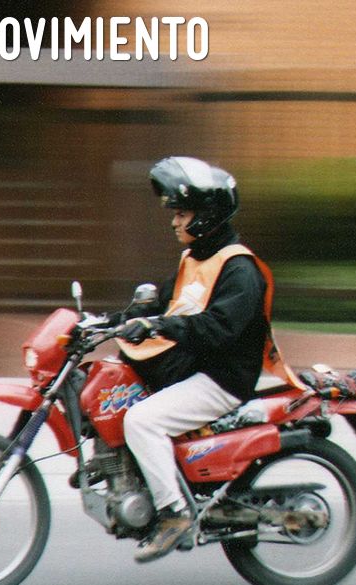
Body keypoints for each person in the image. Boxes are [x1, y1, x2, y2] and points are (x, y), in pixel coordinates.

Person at [116, 156, 293, 564]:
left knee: (141, 420)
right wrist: (111, 321)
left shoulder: (239, 269)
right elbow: (164, 305)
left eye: (182, 214)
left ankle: (173, 514)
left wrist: (159, 326)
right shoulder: (195, 258)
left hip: (219, 380)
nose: (174, 222)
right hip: (190, 369)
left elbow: (217, 328)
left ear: (207, 215)